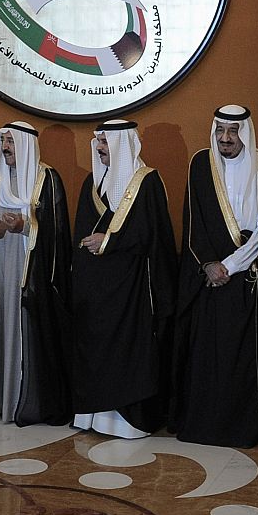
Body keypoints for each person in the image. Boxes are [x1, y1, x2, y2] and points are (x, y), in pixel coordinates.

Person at [173, 105, 258, 447]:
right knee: (206, 358)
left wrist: (231, 265)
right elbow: (193, 221)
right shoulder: (201, 163)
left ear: (246, 132)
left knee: (239, 360)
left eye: (233, 131)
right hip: (208, 280)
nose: (225, 138)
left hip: (246, 278)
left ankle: (239, 430)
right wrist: (210, 265)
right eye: (220, 130)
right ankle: (202, 427)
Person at [0, 120, 73, 425]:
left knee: (29, 334)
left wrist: (25, 226)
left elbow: (58, 230)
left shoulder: (46, 178)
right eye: (3, 141)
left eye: (10, 142)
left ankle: (28, 403)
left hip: (32, 275)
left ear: (24, 145)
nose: (5, 147)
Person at [71, 118, 177, 438]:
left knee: (127, 350)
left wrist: (110, 241)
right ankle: (94, 414)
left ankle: (127, 420)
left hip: (132, 289)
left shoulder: (147, 181)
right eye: (98, 142)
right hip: (97, 289)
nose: (99, 147)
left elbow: (152, 233)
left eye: (105, 142)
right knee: (96, 348)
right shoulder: (93, 182)